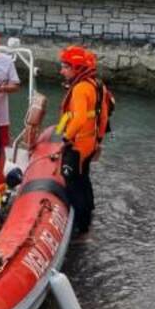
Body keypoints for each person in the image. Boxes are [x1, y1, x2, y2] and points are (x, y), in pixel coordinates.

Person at [56, 45, 110, 236]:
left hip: (77, 146)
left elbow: (78, 119)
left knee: (73, 184)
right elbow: (103, 116)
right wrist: (99, 140)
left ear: (76, 68)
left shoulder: (80, 89)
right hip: (90, 143)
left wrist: (64, 139)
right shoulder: (97, 85)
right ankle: (89, 215)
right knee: (84, 179)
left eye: (65, 67)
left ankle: (81, 229)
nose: (61, 71)